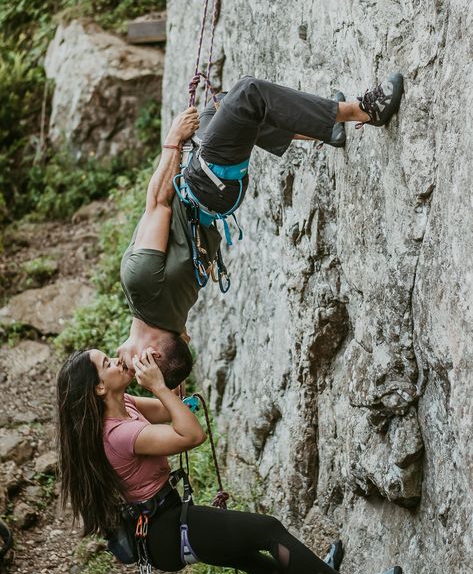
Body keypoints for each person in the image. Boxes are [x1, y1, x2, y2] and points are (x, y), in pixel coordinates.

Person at [56, 347, 402, 574]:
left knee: (250, 557)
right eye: (107, 363)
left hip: (166, 519)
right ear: (100, 386)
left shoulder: (126, 404)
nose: (117, 360)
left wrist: (161, 380)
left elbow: (170, 409)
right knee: (267, 529)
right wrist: (158, 386)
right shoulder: (118, 434)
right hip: (164, 531)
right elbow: (191, 434)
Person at [117, 74, 404, 387]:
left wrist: (159, 378)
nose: (125, 371)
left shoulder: (172, 323)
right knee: (247, 96)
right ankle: (363, 111)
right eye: (134, 370)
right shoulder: (141, 285)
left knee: (224, 105)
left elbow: (176, 349)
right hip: (206, 183)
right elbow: (158, 203)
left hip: (216, 192)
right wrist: (173, 140)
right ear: (152, 357)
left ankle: (325, 129)